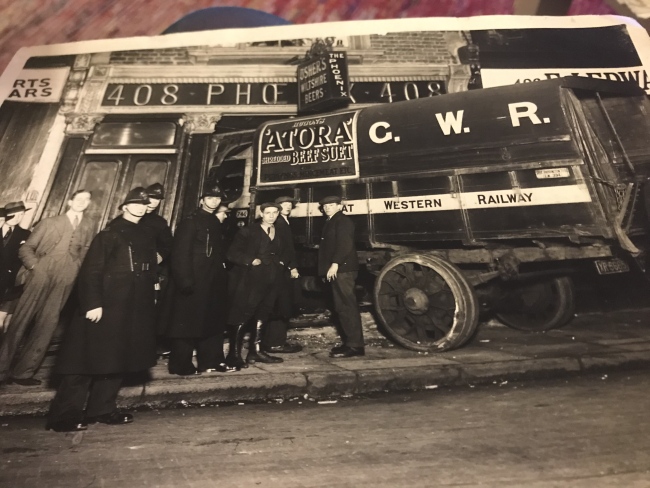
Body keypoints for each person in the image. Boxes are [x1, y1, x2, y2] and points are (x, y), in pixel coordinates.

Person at [46, 187, 158, 432]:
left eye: (144, 204)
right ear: (124, 207)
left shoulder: (145, 234)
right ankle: (64, 416)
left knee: (116, 360)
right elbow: (91, 272)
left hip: (130, 309)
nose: (140, 207)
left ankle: (102, 409)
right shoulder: (109, 234)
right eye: (134, 204)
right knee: (83, 361)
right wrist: (92, 304)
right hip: (103, 308)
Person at [0, 193, 95, 386]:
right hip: (40, 274)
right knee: (20, 321)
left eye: (86, 200)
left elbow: (85, 251)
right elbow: (26, 249)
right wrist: (36, 267)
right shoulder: (49, 222)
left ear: (88, 204)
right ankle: (1, 370)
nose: (82, 202)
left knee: (47, 324)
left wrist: (76, 272)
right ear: (69, 201)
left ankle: (24, 373)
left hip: (66, 278)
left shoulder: (89, 226)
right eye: (79, 198)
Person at [164, 185, 231, 375]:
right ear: (202, 200)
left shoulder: (215, 222)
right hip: (193, 282)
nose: (214, 202)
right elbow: (179, 254)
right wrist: (184, 280)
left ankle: (210, 361)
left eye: (218, 199)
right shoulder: (190, 222)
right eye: (210, 198)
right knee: (186, 325)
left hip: (212, 282)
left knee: (211, 322)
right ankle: (180, 364)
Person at [226, 202, 288, 369]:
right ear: (261, 214)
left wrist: (281, 263)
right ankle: (234, 354)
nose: (272, 216)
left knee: (263, 313)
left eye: (275, 212)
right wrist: (249, 260)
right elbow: (232, 253)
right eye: (268, 213)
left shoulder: (280, 232)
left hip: (272, 279)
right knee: (243, 314)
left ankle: (256, 351)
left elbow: (286, 251)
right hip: (251, 280)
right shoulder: (248, 231)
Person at [318, 195, 365, 358]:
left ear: (340, 206)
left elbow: (345, 245)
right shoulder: (332, 221)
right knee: (341, 306)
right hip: (339, 269)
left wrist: (335, 264)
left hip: (343, 270)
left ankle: (355, 346)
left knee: (346, 305)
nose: (327, 208)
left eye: (331, 205)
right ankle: (350, 343)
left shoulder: (343, 221)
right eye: (325, 206)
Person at [262, 196, 303, 354]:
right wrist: (292, 267)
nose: (287, 207)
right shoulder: (279, 223)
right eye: (283, 205)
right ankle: (275, 343)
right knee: (280, 304)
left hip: (282, 268)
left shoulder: (284, 221)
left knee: (278, 304)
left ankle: (271, 341)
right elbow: (284, 249)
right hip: (282, 269)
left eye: (289, 204)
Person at [0, 203, 30, 334]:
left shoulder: (25, 234)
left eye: (22, 214)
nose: (18, 218)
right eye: (15, 214)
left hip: (7, 282)